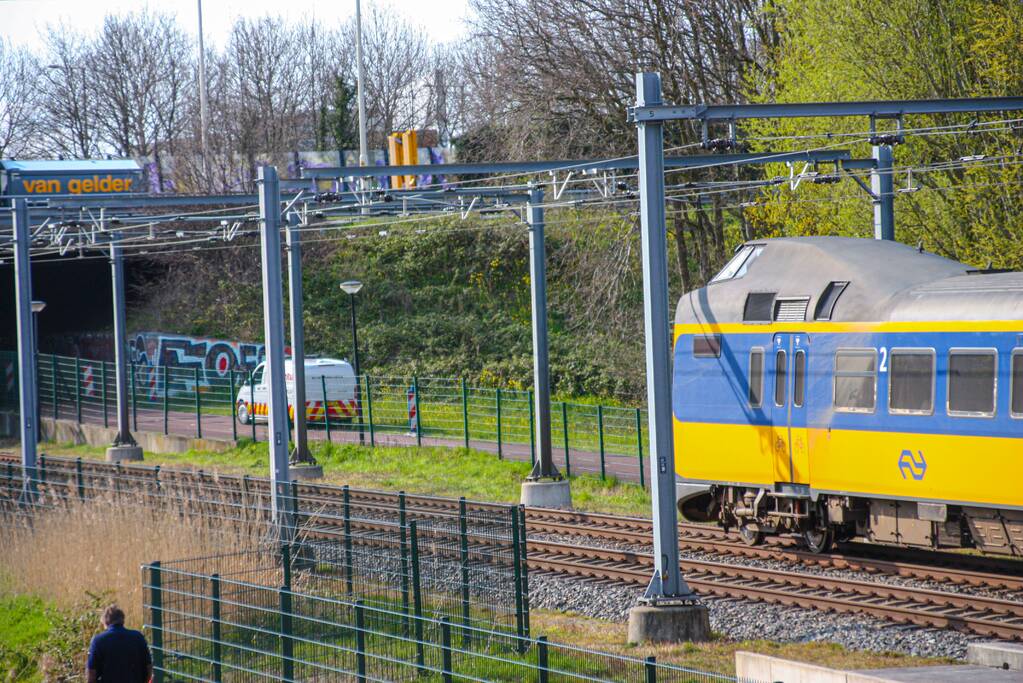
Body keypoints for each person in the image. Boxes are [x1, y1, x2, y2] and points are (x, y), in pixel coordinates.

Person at [86, 604, 153, 683]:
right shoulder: (138, 637)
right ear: (122, 620)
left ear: (105, 622)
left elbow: (92, 674)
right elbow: (148, 667)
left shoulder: (98, 640)